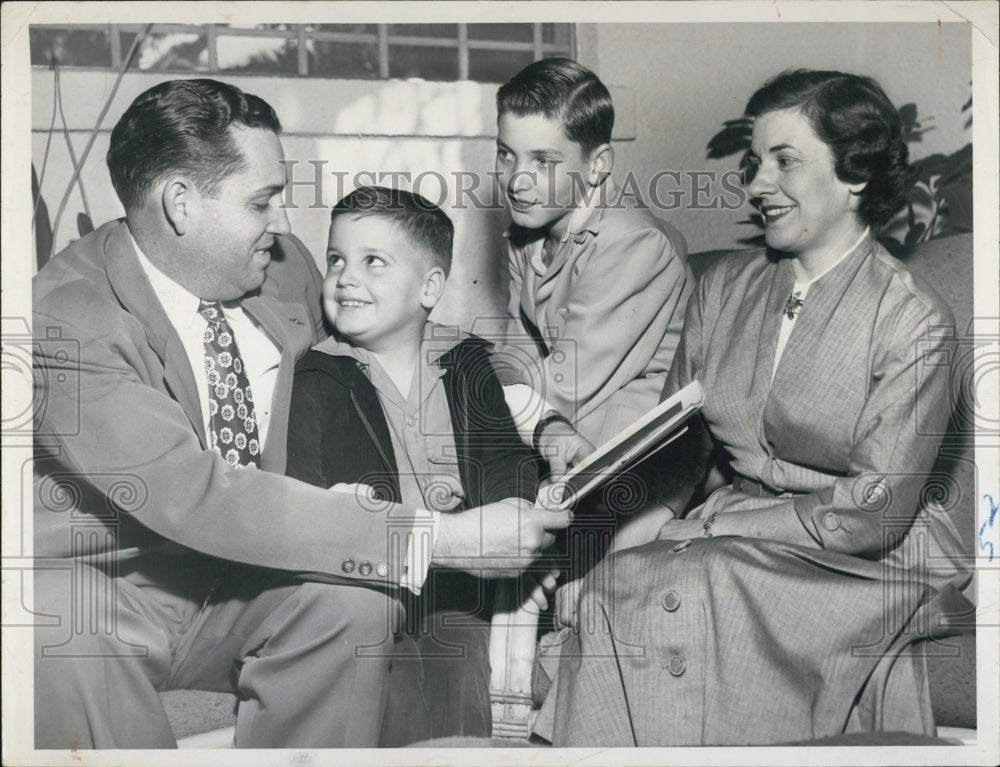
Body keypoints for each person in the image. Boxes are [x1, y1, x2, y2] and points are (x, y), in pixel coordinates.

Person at [31, 78, 571, 749]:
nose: (284, 222)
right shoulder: (65, 317)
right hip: (113, 587)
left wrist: (537, 416)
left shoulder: (282, 269)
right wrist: (440, 537)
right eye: (263, 200)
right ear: (181, 204)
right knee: (47, 620)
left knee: (356, 597)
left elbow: (405, 341)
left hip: (239, 578)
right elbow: (198, 496)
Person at [541, 69, 973, 746]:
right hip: (732, 537)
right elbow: (678, 449)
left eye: (785, 161)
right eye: (754, 162)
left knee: (692, 585)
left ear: (854, 174)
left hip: (866, 556)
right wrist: (617, 554)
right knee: (619, 588)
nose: (756, 184)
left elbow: (872, 510)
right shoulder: (722, 292)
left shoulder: (915, 320)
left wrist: (720, 524)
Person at [286, 186, 544, 743]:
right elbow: (300, 494)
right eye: (336, 259)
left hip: (458, 587)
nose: (345, 277)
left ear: (429, 288)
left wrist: (515, 507)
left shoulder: (468, 362)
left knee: (460, 687)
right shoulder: (316, 375)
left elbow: (507, 457)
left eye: (372, 262)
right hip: (363, 589)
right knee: (388, 696)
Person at [494, 58, 693, 449]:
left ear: (597, 164)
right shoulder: (525, 234)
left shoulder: (633, 243)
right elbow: (516, 353)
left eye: (543, 161)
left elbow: (568, 384)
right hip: (563, 415)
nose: (516, 180)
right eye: (505, 154)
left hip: (637, 439)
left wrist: (473, 399)